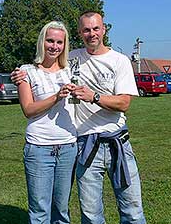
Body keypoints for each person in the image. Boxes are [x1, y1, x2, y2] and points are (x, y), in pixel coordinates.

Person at [12, 12, 146, 223]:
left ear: (104, 30)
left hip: (117, 142)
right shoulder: (72, 60)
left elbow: (124, 103)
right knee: (91, 215)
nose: (91, 34)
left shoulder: (119, 60)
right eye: (86, 30)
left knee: (132, 211)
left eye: (95, 29)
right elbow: (41, 69)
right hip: (86, 146)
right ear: (80, 33)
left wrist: (94, 96)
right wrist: (20, 74)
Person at [16, 21, 77, 224]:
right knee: (40, 211)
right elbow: (28, 110)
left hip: (68, 146)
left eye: (59, 42)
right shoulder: (26, 71)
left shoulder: (72, 71)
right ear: (42, 41)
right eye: (50, 40)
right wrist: (56, 97)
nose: (54, 46)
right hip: (39, 148)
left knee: (61, 209)